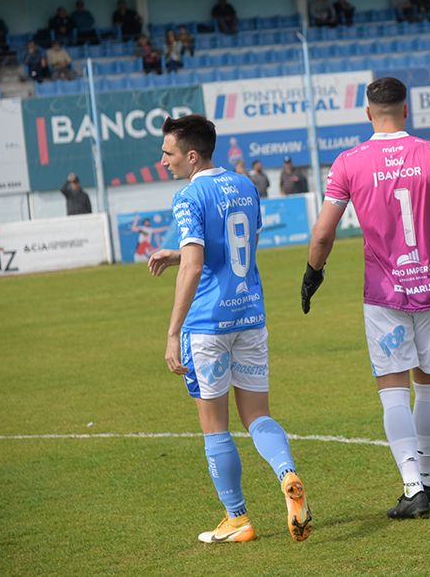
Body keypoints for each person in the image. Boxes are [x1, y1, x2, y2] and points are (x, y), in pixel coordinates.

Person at [301, 77, 430, 519]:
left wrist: (314, 271)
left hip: (385, 294)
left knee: (393, 389)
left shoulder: (349, 162)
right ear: (406, 110)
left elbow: (324, 232)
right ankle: (425, 476)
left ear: (368, 113)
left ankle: (415, 487)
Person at [147, 114, 313, 545]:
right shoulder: (245, 185)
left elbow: (196, 265)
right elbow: (240, 246)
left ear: (192, 156)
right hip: (249, 315)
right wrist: (177, 254)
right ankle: (287, 473)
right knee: (258, 415)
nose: (163, 160)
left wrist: (172, 331)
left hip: (208, 324)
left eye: (168, 153)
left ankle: (237, 518)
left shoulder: (188, 196)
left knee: (215, 426)